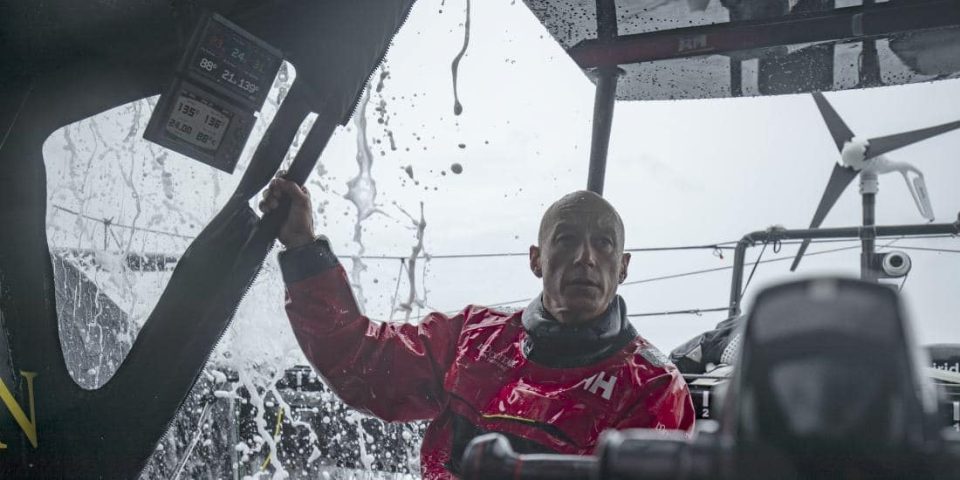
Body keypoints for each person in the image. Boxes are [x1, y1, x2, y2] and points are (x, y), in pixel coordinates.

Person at [260, 180, 695, 479]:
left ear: (622, 267)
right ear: (536, 259)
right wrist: (302, 249)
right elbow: (362, 364)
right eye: (565, 239)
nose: (585, 257)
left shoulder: (654, 388)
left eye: (603, 243)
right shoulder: (472, 337)